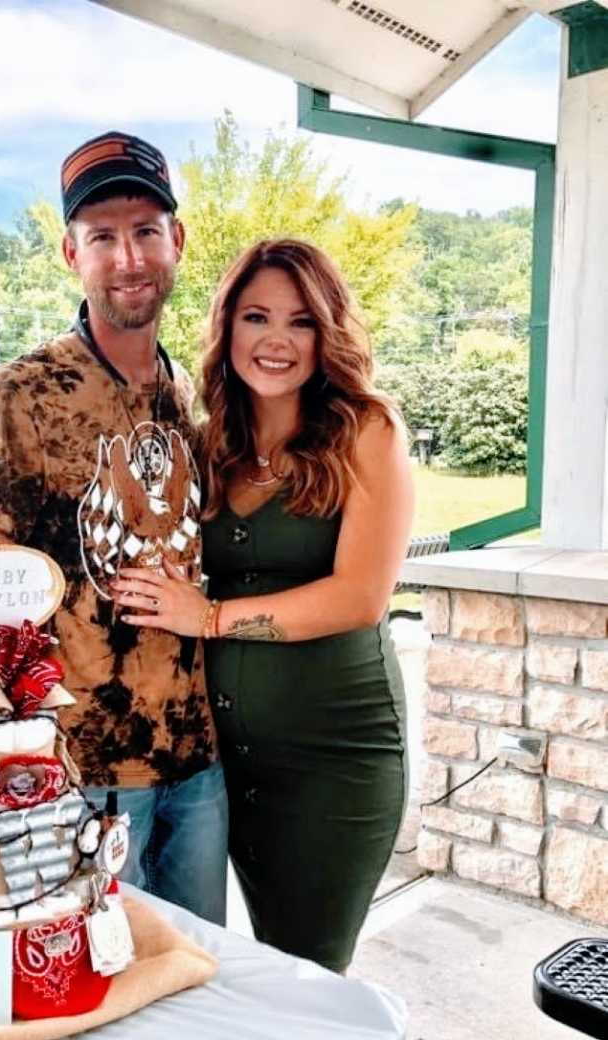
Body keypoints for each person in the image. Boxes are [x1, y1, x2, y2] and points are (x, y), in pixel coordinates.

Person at [113, 238, 414, 972]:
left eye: (301, 321)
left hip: (330, 760)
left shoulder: (365, 431)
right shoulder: (213, 444)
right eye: (256, 317)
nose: (276, 340)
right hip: (230, 764)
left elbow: (361, 597)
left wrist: (207, 618)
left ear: (328, 333)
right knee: (256, 965)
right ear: (229, 330)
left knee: (310, 970)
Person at [0, 131, 227, 925]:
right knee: (98, 997)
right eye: (102, 236)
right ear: (70, 252)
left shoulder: (190, 391)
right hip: (83, 772)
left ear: (176, 241)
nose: (129, 256)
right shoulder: (25, 394)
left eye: (146, 230)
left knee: (196, 971)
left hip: (195, 760)